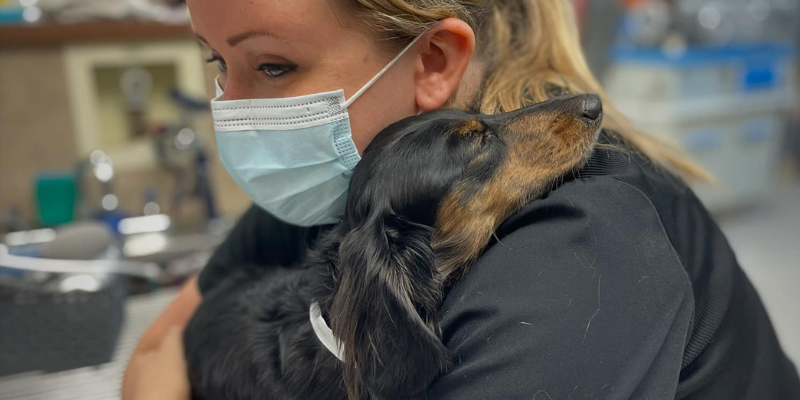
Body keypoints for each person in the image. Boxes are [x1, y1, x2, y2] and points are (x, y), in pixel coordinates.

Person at [123, 0, 800, 399]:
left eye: (273, 65)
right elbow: (155, 352)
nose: (231, 110)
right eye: (218, 62)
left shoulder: (577, 247)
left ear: (435, 61)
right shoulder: (346, 177)